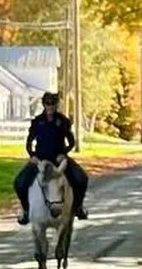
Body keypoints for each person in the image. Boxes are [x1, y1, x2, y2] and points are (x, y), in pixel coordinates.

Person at [14, 92, 88, 224]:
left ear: (56, 105)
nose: (50, 106)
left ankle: (78, 208)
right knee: (19, 183)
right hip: (40, 159)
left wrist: (64, 153)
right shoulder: (37, 121)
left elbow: (71, 142)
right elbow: (29, 142)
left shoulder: (63, 121)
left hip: (59, 159)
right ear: (43, 104)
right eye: (47, 103)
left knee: (81, 179)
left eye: (53, 103)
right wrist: (32, 156)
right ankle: (26, 211)